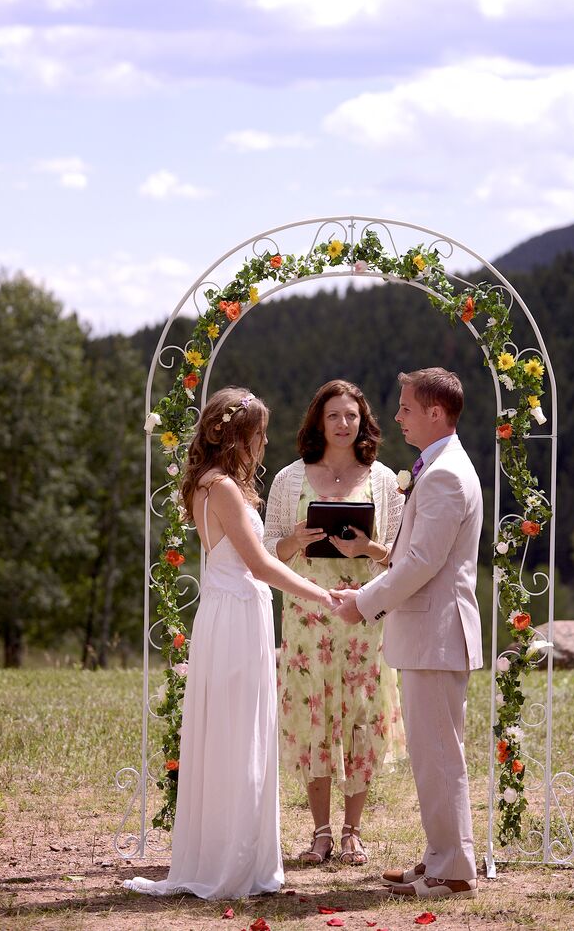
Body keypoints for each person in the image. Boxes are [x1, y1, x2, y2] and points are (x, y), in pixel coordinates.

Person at [124, 387, 336, 900]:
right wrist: (325, 596)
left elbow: (253, 558)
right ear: (237, 434)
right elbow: (260, 566)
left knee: (235, 727)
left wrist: (296, 548)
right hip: (237, 613)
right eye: (260, 433)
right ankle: (232, 861)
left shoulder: (211, 484)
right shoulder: (221, 488)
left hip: (232, 608)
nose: (264, 442)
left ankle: (235, 852)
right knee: (237, 730)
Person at [334, 367, 483, 899]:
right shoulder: (442, 466)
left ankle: (453, 870)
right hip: (433, 634)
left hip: (436, 634)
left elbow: (422, 562)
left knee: (440, 755)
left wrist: (364, 603)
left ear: (435, 413)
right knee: (435, 753)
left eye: (405, 408)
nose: (396, 417)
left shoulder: (444, 475)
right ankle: (441, 857)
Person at [263, 380, 406, 867]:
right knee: (313, 717)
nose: (344, 424)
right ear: (317, 423)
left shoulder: (384, 480)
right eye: (334, 416)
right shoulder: (289, 480)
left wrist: (365, 548)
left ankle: (353, 832)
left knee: (361, 718)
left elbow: (401, 558)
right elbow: (266, 551)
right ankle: (320, 832)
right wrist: (297, 540)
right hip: (307, 615)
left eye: (351, 415)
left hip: (363, 613)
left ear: (363, 421)